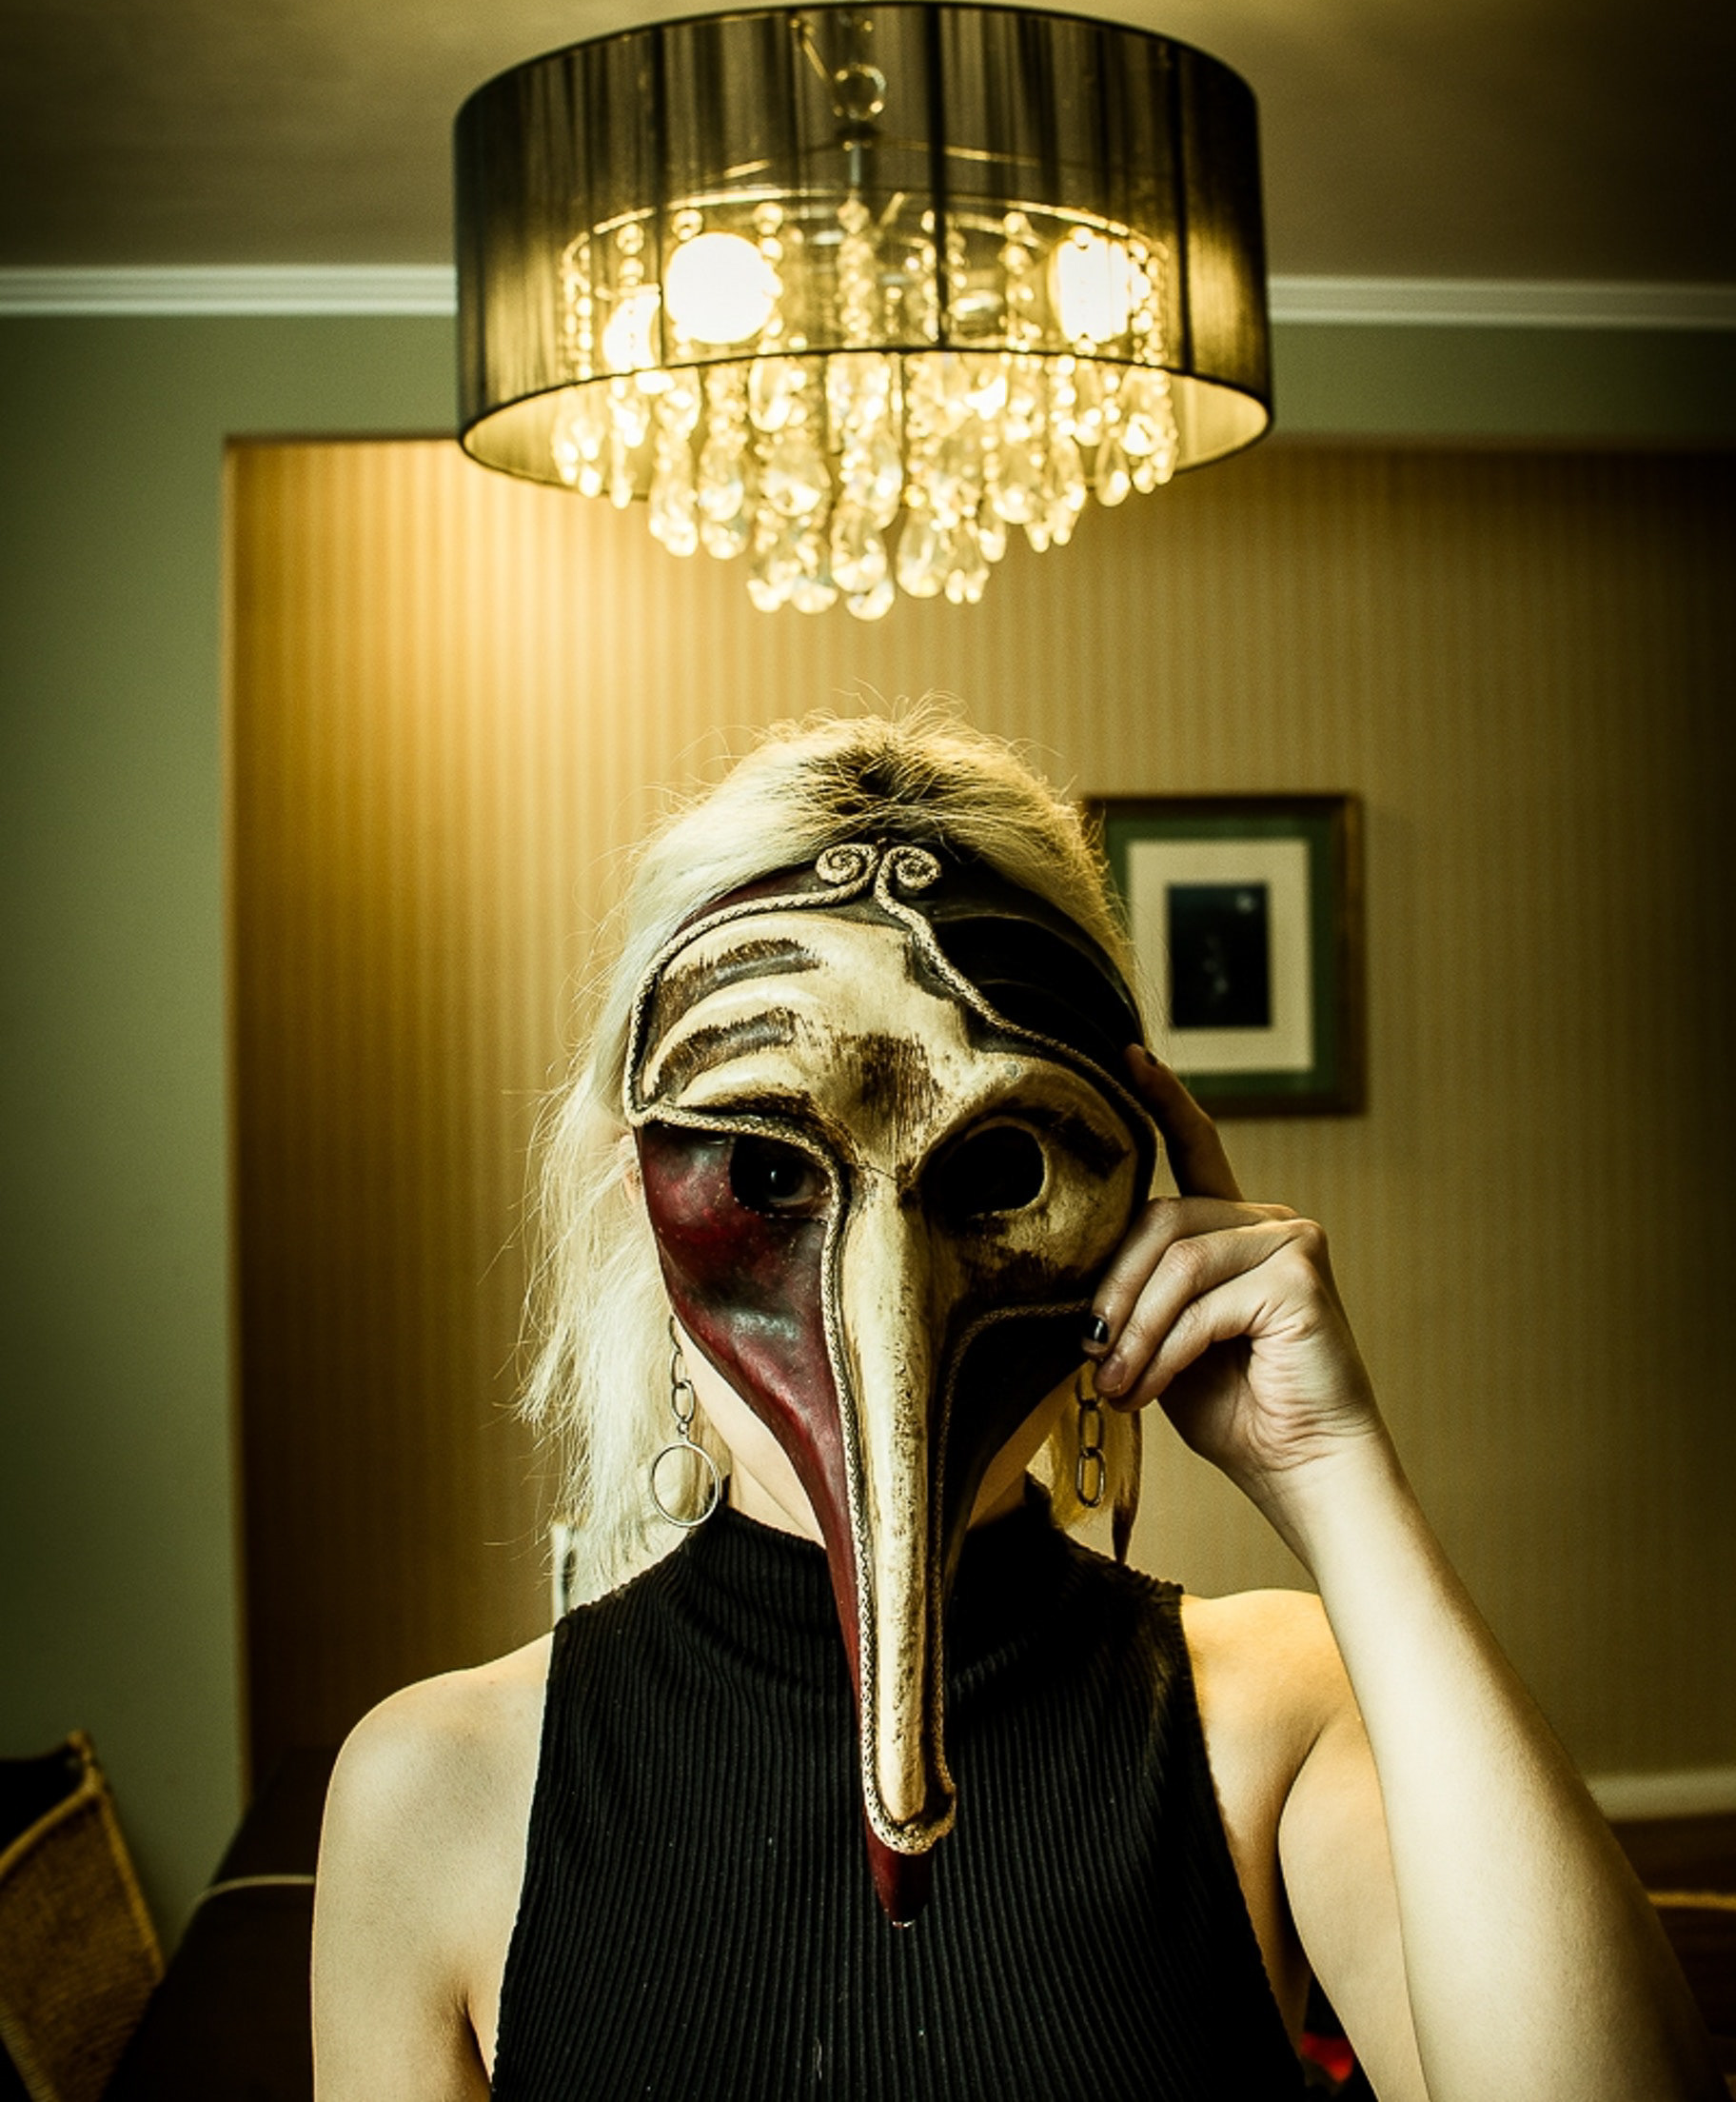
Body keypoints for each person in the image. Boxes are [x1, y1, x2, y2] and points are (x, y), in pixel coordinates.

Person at [311, 711, 1721, 2101]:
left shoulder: (1272, 1720)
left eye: (995, 1173)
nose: (888, 1300)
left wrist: (1331, 1470)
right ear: (644, 1194)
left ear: (1133, 1205)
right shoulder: (439, 1794)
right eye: (769, 1171)